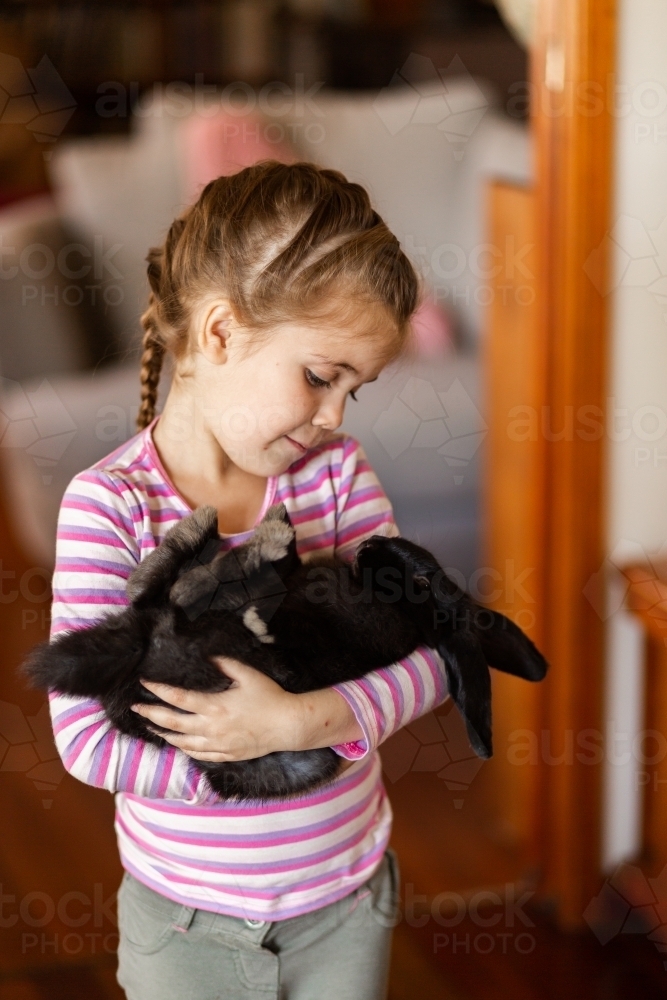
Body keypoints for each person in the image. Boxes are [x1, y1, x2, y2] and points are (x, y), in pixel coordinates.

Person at [47, 161, 449, 1000]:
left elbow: (434, 656)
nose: (336, 416)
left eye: (354, 390)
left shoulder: (334, 478)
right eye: (318, 376)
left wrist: (305, 722)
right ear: (221, 333)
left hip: (345, 899)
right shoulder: (110, 505)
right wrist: (248, 753)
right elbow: (85, 740)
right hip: (187, 923)